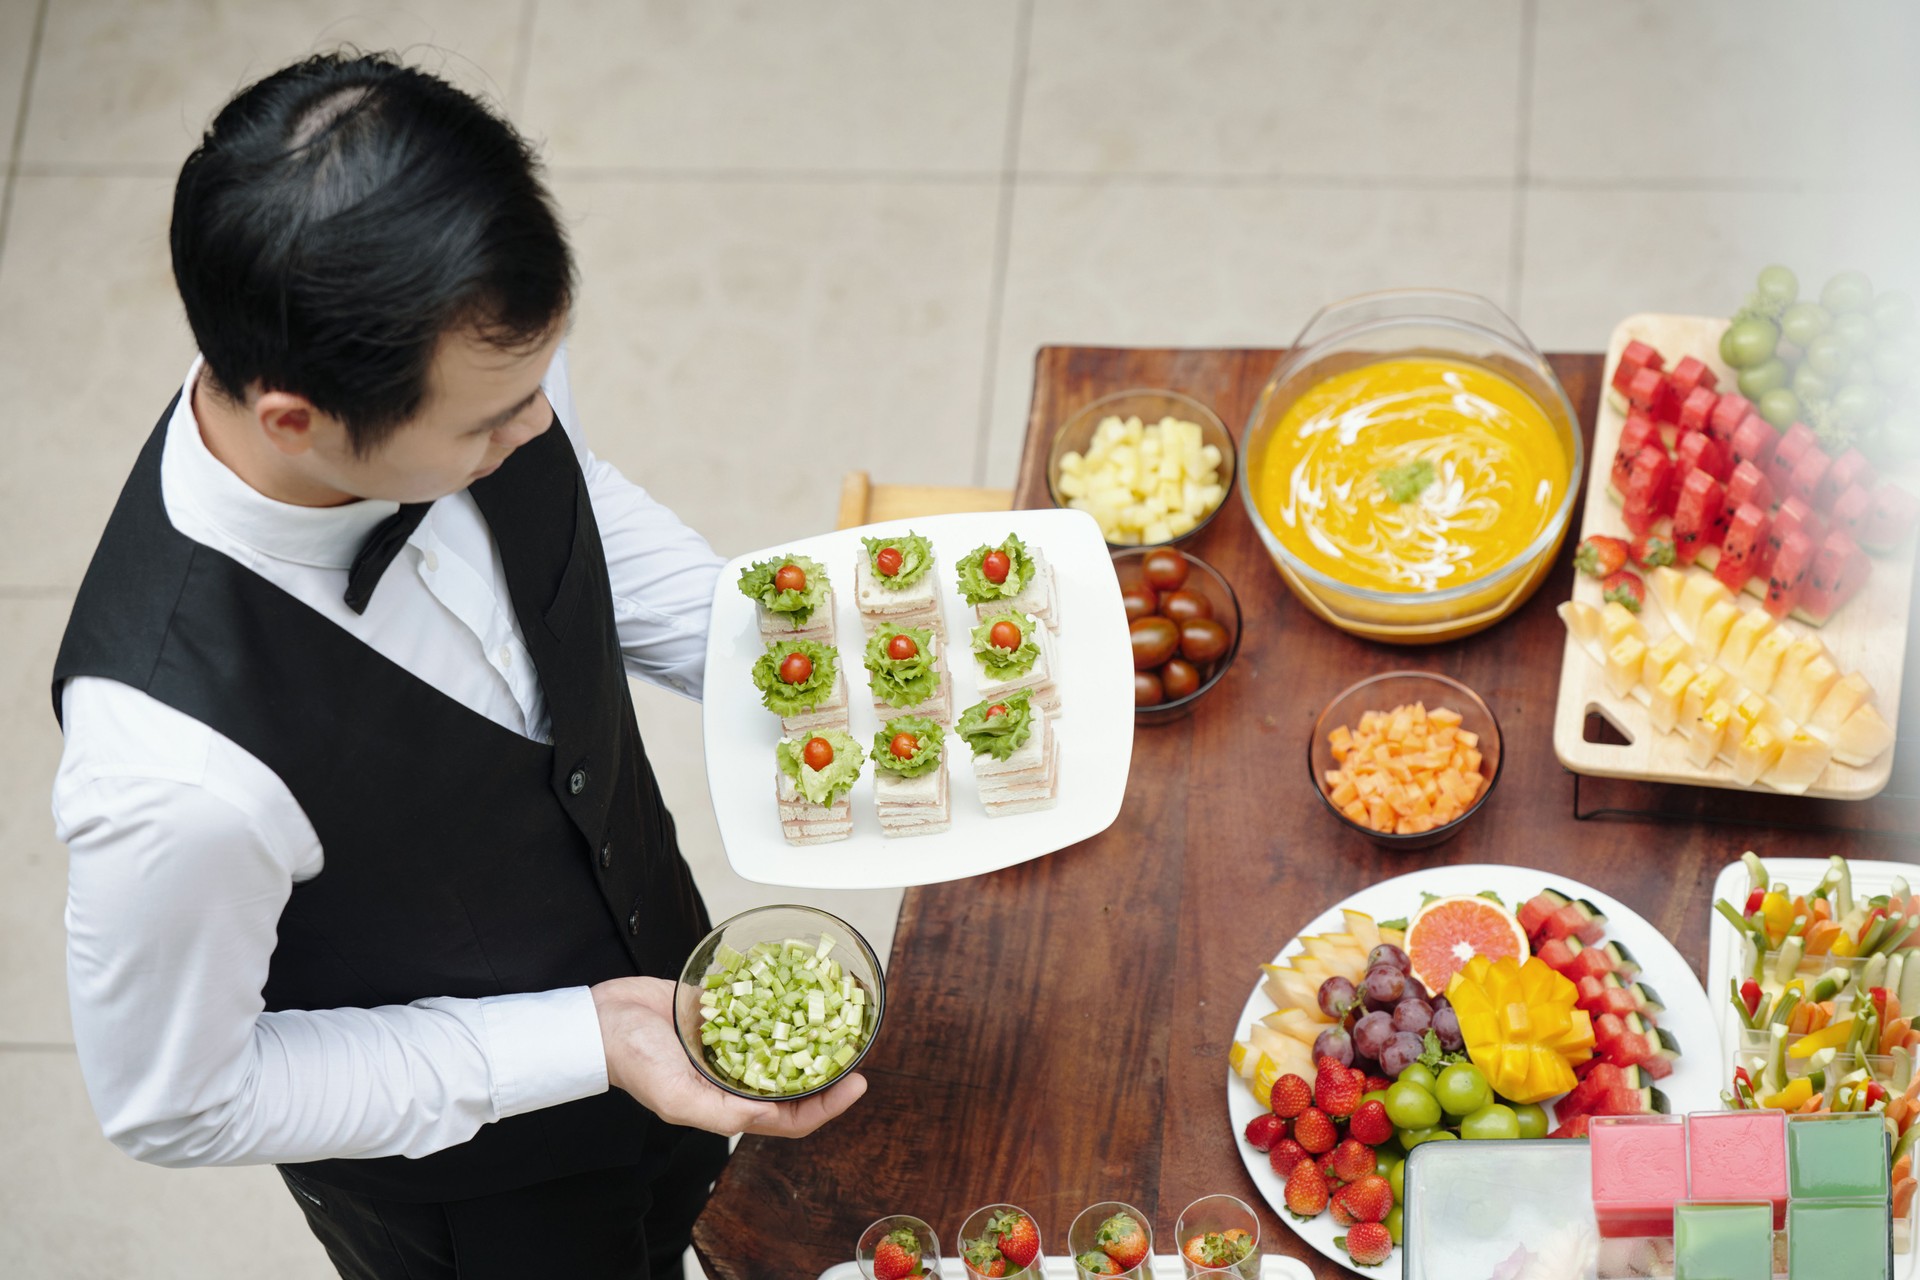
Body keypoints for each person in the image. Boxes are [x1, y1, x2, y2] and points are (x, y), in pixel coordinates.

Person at [48, 51, 865, 1280]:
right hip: (481, 1207)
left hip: (663, 975)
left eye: (539, 385)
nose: (534, 425)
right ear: (297, 419)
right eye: (491, 422)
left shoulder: (473, 344)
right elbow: (175, 1098)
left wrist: (779, 655)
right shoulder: (173, 775)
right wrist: (578, 1039)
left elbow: (570, 498)